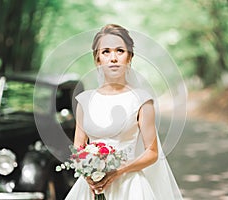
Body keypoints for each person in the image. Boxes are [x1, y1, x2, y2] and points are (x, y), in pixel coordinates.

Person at [65, 24, 183, 200]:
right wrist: (88, 175)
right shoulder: (85, 101)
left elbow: (152, 152)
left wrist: (119, 171)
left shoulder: (142, 100)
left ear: (129, 58)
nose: (113, 58)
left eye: (120, 51)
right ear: (97, 59)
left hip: (130, 187)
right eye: (106, 52)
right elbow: (78, 148)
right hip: (90, 188)